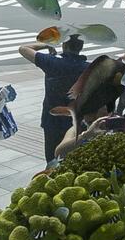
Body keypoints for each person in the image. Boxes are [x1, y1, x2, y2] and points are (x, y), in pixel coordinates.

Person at [18, 34, 90, 163]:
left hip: (52, 120)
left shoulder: (52, 63)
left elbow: (23, 49)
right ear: (81, 47)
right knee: (76, 157)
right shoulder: (89, 68)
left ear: (64, 45)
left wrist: (47, 45)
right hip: (77, 121)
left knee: (52, 159)